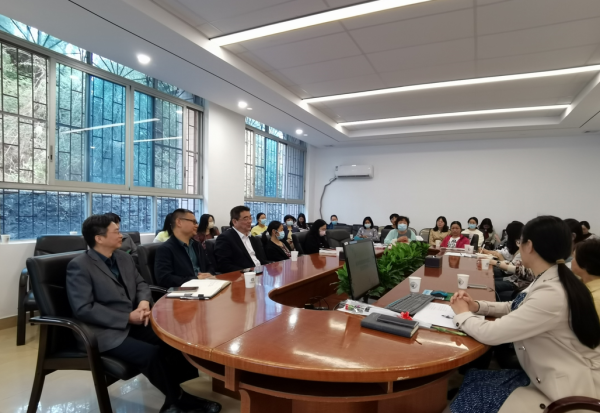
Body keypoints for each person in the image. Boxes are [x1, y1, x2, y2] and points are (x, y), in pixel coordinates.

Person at [66, 215, 221, 413]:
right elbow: (83, 308)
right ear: (99, 238)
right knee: (150, 353)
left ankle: (174, 396)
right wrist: (126, 317)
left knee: (174, 339)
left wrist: (144, 303)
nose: (122, 236)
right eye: (116, 232)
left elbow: (141, 284)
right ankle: (178, 400)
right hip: (103, 331)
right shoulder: (80, 265)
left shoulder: (123, 257)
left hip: (136, 320)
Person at [448, 216, 600, 413]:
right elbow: (516, 306)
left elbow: (491, 334)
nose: (519, 246)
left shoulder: (553, 292)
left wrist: (462, 314)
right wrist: (476, 306)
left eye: (521, 242)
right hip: (547, 372)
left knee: (472, 395)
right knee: (475, 378)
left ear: (530, 246)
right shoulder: (553, 276)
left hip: (567, 391)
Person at [155, 209, 215, 288]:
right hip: (184, 290)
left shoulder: (197, 245)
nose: (197, 225)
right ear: (179, 222)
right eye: (193, 222)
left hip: (206, 285)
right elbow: (164, 279)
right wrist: (195, 279)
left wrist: (209, 274)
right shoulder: (165, 249)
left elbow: (209, 265)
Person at [489, 222, 535, 302]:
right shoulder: (522, 250)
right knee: (488, 282)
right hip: (513, 279)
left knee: (489, 286)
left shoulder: (532, 253)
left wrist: (496, 263)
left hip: (519, 284)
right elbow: (517, 266)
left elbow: (523, 271)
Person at [214, 206, 268, 273]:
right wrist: (249, 271)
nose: (250, 221)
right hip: (243, 275)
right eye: (245, 219)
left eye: (250, 218)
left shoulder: (253, 238)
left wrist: (270, 266)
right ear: (234, 222)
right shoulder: (225, 238)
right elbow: (224, 265)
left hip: (260, 272)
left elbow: (261, 260)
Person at [571, 240, 600, 315]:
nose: (571, 261)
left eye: (574, 257)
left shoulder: (594, 300)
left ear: (586, 264)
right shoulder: (584, 289)